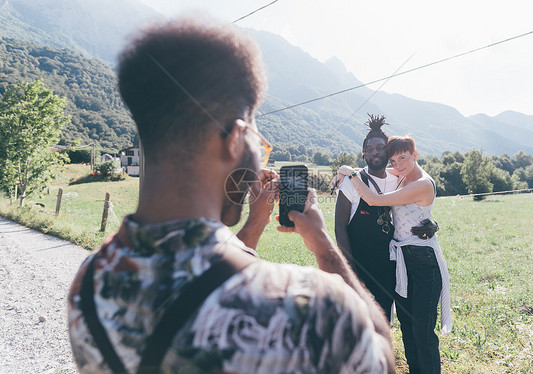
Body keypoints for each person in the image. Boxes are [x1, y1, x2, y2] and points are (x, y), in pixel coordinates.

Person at [67, 17, 396, 374]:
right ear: (236, 139)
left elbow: (201, 268)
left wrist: (254, 222)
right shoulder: (309, 306)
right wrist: (324, 247)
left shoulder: (89, 283)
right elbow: (380, 354)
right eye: (258, 142)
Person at [335, 136, 452, 374]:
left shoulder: (420, 182)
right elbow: (375, 170)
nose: (398, 164)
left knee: (421, 330)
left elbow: (375, 199)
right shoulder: (400, 176)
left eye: (403, 158)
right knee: (408, 327)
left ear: (415, 154)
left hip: (422, 261)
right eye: (394, 159)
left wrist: (350, 173)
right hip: (402, 261)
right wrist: (345, 170)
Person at [334, 114, 438, 322]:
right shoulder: (351, 182)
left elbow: (414, 206)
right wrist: (350, 267)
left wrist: (433, 224)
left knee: (382, 318)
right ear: (363, 154)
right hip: (359, 261)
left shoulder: (396, 179)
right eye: (369, 149)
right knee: (356, 319)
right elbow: (339, 228)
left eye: (380, 147)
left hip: (387, 261)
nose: (374, 152)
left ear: (387, 151)